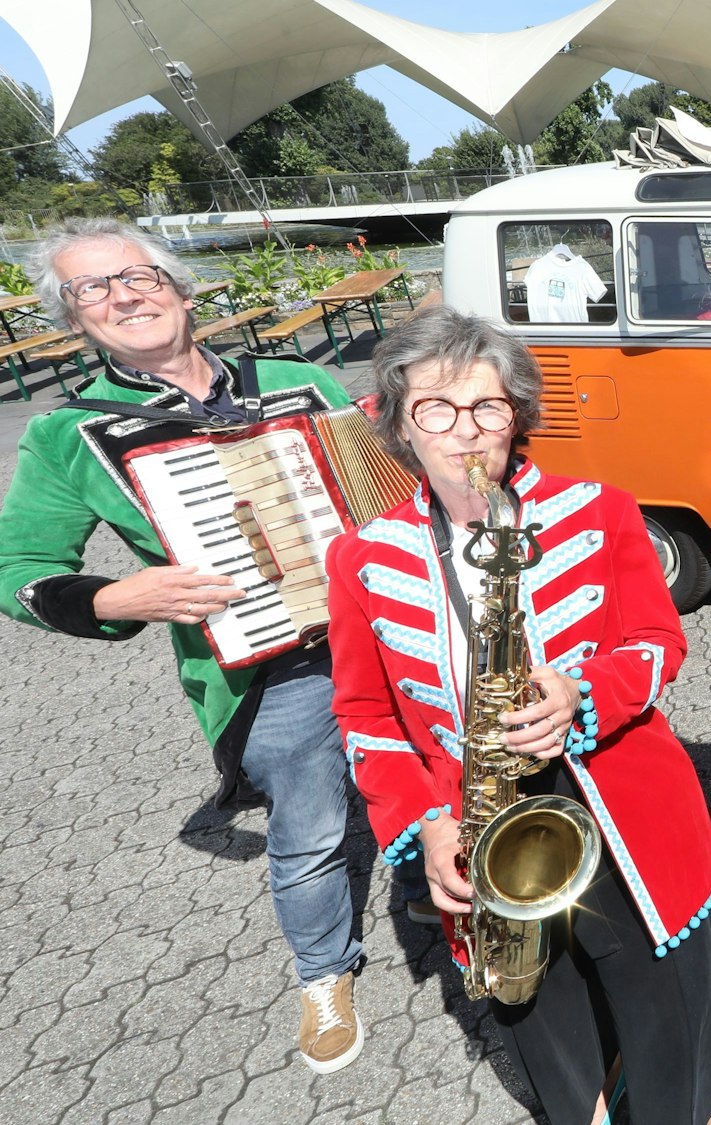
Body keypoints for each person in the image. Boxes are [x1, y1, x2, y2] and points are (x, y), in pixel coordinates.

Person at [325, 307, 711, 1125]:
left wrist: (582, 691)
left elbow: (660, 642)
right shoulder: (361, 557)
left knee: (667, 983)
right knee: (540, 1001)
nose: (465, 434)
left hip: (619, 796)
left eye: (488, 407)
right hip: (478, 812)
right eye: (436, 411)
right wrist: (424, 827)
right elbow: (365, 719)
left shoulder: (600, 509)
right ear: (400, 426)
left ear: (517, 416)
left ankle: (701, 1108)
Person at [0, 219, 378, 1075]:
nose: (121, 295)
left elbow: (381, 477)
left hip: (385, 627)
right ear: (73, 317)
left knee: (423, 773)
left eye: (136, 275)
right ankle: (323, 971)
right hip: (263, 662)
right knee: (311, 826)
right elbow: (15, 567)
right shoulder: (69, 434)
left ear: (180, 287)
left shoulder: (299, 379)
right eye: (90, 288)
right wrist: (110, 595)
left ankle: (438, 889)